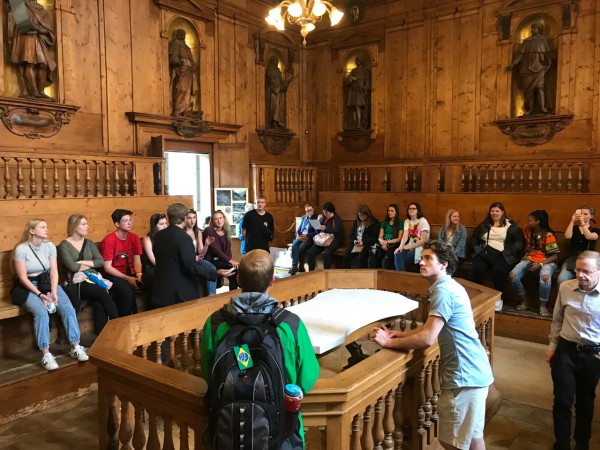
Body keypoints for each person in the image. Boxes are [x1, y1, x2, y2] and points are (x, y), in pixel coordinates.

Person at [371, 240, 493, 450]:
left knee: (452, 443)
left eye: (428, 258)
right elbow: (430, 327)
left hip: (463, 378)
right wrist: (400, 334)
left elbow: (428, 338)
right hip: (476, 373)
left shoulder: (444, 292)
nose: (421, 262)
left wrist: (388, 342)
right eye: (422, 257)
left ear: (443, 264)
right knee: (473, 439)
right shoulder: (449, 286)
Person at [200, 249, 319, 448]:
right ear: (272, 280)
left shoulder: (215, 323)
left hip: (226, 433)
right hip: (280, 434)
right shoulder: (290, 325)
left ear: (238, 279)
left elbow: (207, 372)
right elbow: (307, 377)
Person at [13, 219, 88, 371]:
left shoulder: (50, 246)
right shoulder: (21, 249)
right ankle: (46, 355)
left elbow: (53, 271)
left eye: (47, 226)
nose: (46, 229)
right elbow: (22, 277)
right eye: (42, 227)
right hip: (28, 286)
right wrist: (41, 295)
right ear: (32, 231)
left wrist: (54, 291)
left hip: (47, 283)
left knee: (67, 308)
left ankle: (75, 346)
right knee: (41, 312)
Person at [546, 251, 600, 450]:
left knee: (585, 402)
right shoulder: (565, 288)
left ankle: (582, 443)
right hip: (566, 351)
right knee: (562, 400)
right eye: (577, 269)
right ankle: (561, 445)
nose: (580, 274)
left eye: (586, 271)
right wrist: (552, 346)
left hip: (593, 355)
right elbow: (558, 319)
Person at [58, 214, 119, 335]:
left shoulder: (89, 243)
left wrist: (82, 262)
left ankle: (102, 337)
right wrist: (91, 264)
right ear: (74, 226)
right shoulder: (64, 245)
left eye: (87, 223)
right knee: (101, 292)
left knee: (99, 303)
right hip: (77, 281)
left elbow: (100, 262)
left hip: (94, 278)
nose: (87, 226)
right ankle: (118, 326)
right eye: (83, 224)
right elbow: (73, 267)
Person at [152, 203, 216, 308]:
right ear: (184, 218)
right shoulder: (184, 238)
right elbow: (190, 266)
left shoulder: (159, 236)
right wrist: (214, 273)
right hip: (180, 293)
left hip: (161, 290)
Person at [509, 210, 560, 317]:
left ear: (538, 221)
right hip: (529, 258)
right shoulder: (527, 230)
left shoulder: (548, 235)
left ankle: (543, 306)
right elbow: (516, 226)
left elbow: (554, 256)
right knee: (513, 275)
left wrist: (540, 264)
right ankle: (526, 301)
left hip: (546, 260)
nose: (527, 222)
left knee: (545, 277)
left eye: (530, 220)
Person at [469, 202, 524, 297]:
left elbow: (518, 243)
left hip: (503, 254)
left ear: (502, 212)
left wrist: (510, 251)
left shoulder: (511, 226)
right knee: (476, 268)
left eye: (497, 211)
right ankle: (474, 295)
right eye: (492, 211)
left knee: (499, 270)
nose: (494, 213)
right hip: (484, 252)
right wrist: (477, 249)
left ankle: (498, 297)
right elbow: (474, 238)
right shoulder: (484, 224)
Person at [7, 0, 56, 100]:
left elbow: (48, 29)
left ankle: (41, 91)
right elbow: (23, 25)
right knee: (29, 63)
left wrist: (42, 30)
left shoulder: (42, 10)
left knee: (43, 64)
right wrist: (38, 28)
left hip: (39, 39)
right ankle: (33, 91)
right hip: (25, 37)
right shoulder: (18, 3)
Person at [100, 209, 141, 316]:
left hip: (130, 272)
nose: (129, 223)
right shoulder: (109, 240)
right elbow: (107, 268)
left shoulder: (135, 238)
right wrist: (127, 278)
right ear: (117, 224)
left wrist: (139, 274)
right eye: (125, 221)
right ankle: (123, 322)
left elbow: (137, 260)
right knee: (127, 293)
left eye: (130, 220)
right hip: (113, 274)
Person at [507, 23, 553, 115]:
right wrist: (513, 64)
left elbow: (547, 53)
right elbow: (520, 55)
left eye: (534, 28)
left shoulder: (543, 39)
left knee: (540, 87)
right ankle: (529, 110)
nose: (532, 30)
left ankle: (543, 108)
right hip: (526, 68)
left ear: (539, 29)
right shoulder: (526, 41)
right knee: (528, 90)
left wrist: (549, 63)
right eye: (532, 28)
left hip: (539, 67)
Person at [557, 206, 599, 284]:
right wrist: (572, 221)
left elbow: (589, 237)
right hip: (572, 259)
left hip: (588, 261)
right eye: (581, 214)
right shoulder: (574, 228)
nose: (582, 216)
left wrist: (583, 223)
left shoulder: (595, 230)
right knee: (561, 280)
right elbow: (567, 236)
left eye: (585, 214)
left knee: (587, 281)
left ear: (591, 216)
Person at [203, 210, 239, 292]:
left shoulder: (226, 231)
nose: (219, 221)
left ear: (224, 219)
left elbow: (228, 250)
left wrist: (230, 263)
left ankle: (233, 295)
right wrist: (231, 261)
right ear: (212, 221)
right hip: (211, 261)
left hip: (221, 261)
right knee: (235, 268)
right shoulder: (209, 230)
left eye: (220, 218)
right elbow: (216, 250)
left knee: (236, 271)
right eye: (216, 219)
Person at [306, 202, 343, 271]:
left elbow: (337, 231)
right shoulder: (323, 218)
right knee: (310, 252)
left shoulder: (336, 218)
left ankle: (326, 273)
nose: (325, 214)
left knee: (326, 254)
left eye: (326, 212)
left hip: (334, 240)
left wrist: (326, 229)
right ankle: (311, 273)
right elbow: (318, 232)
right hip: (322, 240)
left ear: (330, 211)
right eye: (324, 212)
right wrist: (317, 225)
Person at [141, 213, 168, 304]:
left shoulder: (167, 237)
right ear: (154, 226)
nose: (164, 226)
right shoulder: (148, 238)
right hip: (150, 269)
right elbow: (154, 261)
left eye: (165, 223)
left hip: (163, 267)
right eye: (161, 224)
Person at [394, 202, 430, 272]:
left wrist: (409, 247)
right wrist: (401, 246)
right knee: (397, 253)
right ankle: (401, 276)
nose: (411, 210)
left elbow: (423, 240)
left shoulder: (423, 221)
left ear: (418, 210)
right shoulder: (407, 221)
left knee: (401, 259)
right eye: (409, 209)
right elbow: (405, 236)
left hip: (421, 246)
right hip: (411, 244)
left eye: (413, 209)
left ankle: (402, 276)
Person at [342, 205, 379, 269]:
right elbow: (351, 234)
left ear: (367, 214)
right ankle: (347, 274)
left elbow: (374, 237)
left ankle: (361, 276)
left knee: (361, 258)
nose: (361, 217)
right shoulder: (356, 222)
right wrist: (354, 241)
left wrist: (363, 242)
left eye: (363, 215)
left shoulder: (373, 222)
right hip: (356, 243)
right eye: (359, 216)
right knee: (346, 257)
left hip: (366, 244)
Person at [169, 28, 196, 116]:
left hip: (189, 71)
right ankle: (178, 110)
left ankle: (187, 109)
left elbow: (192, 60)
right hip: (181, 69)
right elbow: (173, 57)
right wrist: (179, 62)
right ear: (177, 35)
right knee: (180, 89)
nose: (182, 35)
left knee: (188, 91)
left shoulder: (187, 47)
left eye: (183, 33)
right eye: (180, 33)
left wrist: (194, 65)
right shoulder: (176, 44)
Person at [369, 204, 403, 270]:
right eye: (388, 211)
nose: (389, 212)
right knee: (372, 257)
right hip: (382, 243)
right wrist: (382, 243)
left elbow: (399, 239)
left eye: (392, 211)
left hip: (393, 245)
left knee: (385, 261)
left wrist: (387, 242)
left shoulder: (400, 223)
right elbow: (380, 237)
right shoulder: (384, 222)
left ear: (396, 212)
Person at [289, 203, 318, 275]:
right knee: (294, 245)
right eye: (307, 211)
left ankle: (301, 267)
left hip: (309, 238)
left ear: (313, 209)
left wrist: (307, 235)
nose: (309, 212)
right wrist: (298, 235)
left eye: (310, 210)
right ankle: (294, 266)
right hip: (301, 237)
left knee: (300, 249)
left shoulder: (315, 218)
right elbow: (299, 229)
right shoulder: (304, 217)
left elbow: (317, 233)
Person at [343, 56, 370, 130]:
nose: (356, 61)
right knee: (353, 107)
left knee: (358, 106)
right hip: (353, 90)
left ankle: (359, 123)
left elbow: (367, 81)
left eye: (358, 60)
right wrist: (351, 79)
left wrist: (365, 87)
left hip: (360, 90)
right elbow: (346, 80)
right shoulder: (353, 70)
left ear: (361, 61)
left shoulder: (365, 70)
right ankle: (355, 123)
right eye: (356, 60)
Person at [266, 55, 292, 128]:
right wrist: (277, 87)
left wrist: (286, 83)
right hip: (274, 92)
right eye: (275, 60)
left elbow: (280, 82)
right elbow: (271, 81)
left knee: (280, 107)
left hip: (279, 92)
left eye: (277, 61)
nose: (276, 62)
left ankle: (278, 121)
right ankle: (274, 121)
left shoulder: (278, 71)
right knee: (274, 106)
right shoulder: (270, 69)